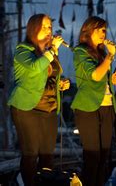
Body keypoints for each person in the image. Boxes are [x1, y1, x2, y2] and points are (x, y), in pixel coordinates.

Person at [8, 14, 70, 186]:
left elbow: (47, 78)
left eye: (50, 27)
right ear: (33, 29)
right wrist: (51, 51)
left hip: (49, 109)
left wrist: (61, 84)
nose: (49, 30)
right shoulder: (23, 50)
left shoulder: (49, 53)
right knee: (30, 153)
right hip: (28, 109)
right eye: (44, 27)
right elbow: (36, 68)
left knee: (47, 154)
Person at [71, 16, 116, 186]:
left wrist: (111, 80)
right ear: (88, 30)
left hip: (107, 106)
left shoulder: (102, 53)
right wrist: (110, 57)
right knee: (93, 156)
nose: (103, 33)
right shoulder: (80, 52)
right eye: (99, 29)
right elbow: (95, 75)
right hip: (88, 108)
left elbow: (102, 77)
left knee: (105, 156)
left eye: (104, 30)